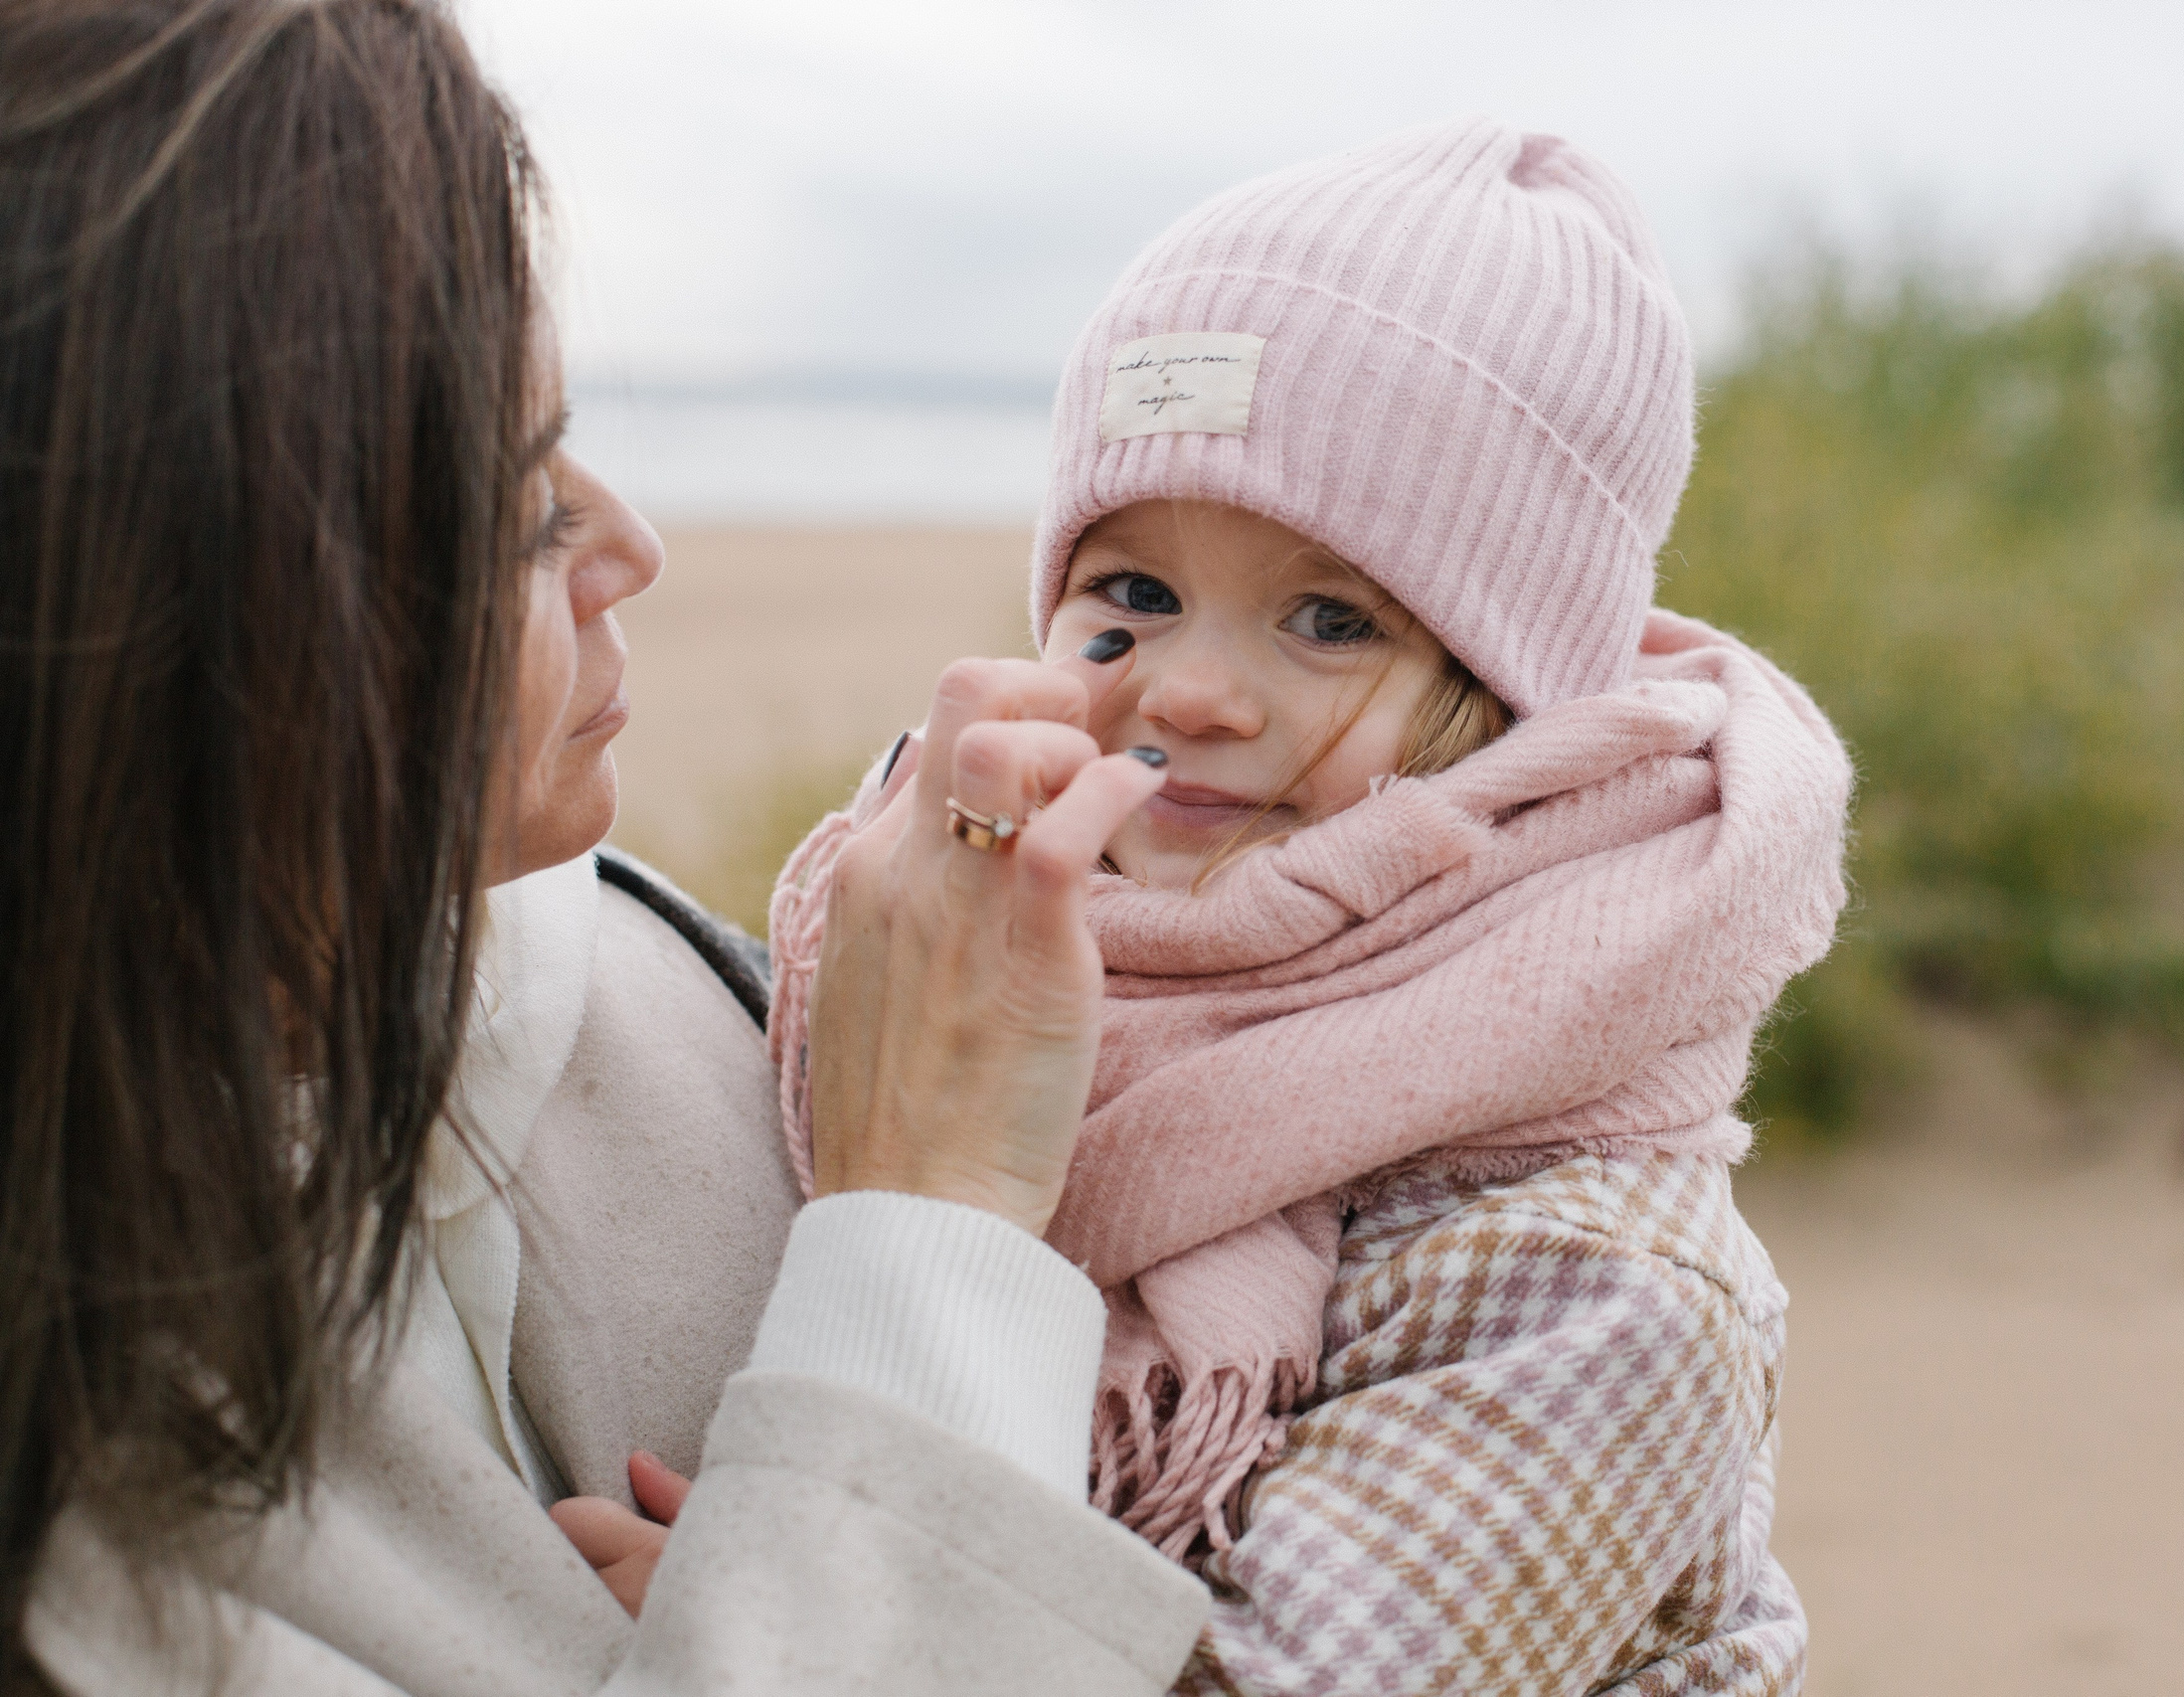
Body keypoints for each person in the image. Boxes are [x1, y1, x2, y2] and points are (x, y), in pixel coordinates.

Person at [0, 1, 1207, 1690]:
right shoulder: (88, 1566)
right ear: (197, 632)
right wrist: (931, 1221)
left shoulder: (636, 983)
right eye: (522, 507)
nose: (632, 545)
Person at [759, 121, 1854, 1694]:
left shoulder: (1593, 1281)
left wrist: (799, 1600)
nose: (1192, 694)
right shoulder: (944, 968)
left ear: (1504, 695)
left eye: (1331, 620)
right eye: (1130, 595)